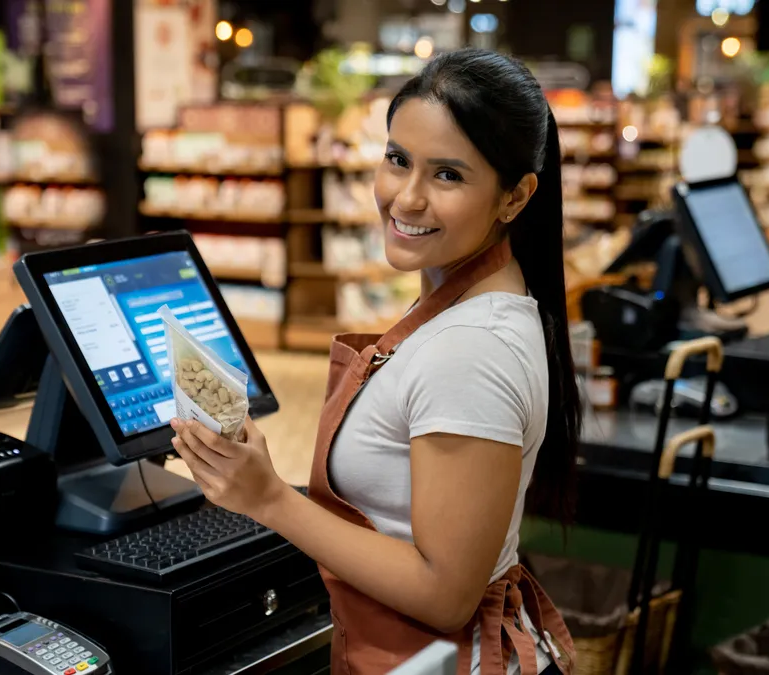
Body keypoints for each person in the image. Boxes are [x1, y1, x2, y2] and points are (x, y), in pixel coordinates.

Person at [170, 48, 579, 675]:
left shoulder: (471, 349)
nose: (405, 199)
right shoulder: (471, 301)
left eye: (448, 175)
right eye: (397, 160)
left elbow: (445, 595)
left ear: (515, 197)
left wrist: (270, 499)